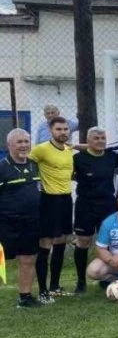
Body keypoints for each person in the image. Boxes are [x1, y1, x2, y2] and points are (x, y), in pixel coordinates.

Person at [29, 116, 74, 302]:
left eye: (65, 129)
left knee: (61, 241)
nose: (63, 132)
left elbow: (76, 147)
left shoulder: (69, 149)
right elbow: (25, 161)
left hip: (66, 199)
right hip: (49, 200)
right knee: (45, 245)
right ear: (50, 130)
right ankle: (42, 291)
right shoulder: (41, 149)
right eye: (59, 129)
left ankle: (55, 286)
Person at [72, 127, 118, 293]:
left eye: (102, 138)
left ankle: (107, 277)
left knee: (108, 242)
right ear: (88, 140)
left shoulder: (112, 156)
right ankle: (80, 281)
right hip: (85, 204)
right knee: (83, 241)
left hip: (107, 204)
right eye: (96, 138)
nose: (100, 141)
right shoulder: (78, 158)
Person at [0, 129, 43, 307]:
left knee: (28, 259)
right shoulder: (2, 168)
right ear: (9, 145)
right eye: (20, 142)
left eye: (26, 141)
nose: (24, 145)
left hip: (30, 222)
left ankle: (25, 297)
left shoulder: (34, 165)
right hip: (5, 223)